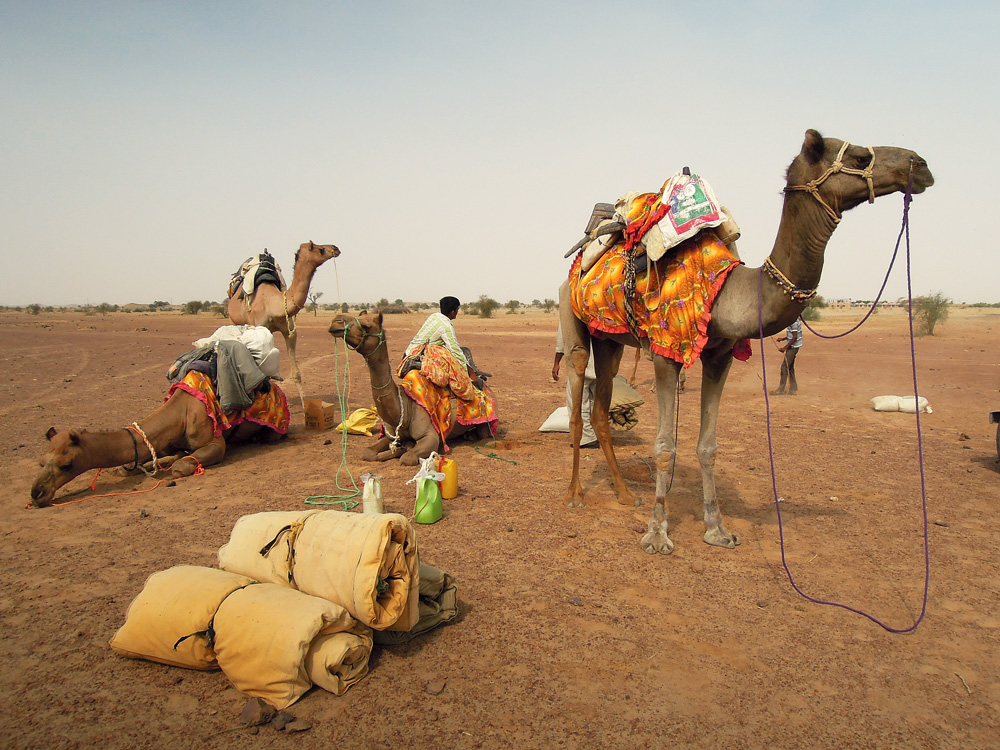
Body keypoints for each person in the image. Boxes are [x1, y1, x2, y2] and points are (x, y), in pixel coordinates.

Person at [403, 296, 479, 400]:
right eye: (457, 310)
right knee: (452, 372)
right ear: (453, 312)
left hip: (408, 353)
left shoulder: (434, 316)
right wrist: (469, 372)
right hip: (418, 357)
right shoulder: (446, 326)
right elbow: (455, 350)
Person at [552, 325, 598, 447]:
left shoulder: (574, 308)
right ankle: (598, 433)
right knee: (595, 401)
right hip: (601, 365)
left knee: (578, 401)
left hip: (582, 364)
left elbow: (563, 337)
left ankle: (586, 437)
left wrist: (556, 362)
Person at [770, 318, 803, 396]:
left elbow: (795, 337)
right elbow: (793, 335)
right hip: (794, 347)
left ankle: (781, 389)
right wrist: (783, 338)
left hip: (793, 347)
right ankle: (793, 389)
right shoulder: (793, 320)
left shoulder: (793, 322)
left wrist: (785, 347)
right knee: (790, 367)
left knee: (784, 367)